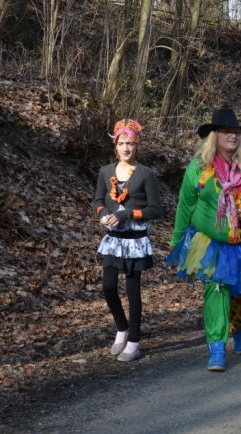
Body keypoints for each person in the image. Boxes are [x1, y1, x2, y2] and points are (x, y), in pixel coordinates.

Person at [167, 107, 241, 371]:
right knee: (216, 290)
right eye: (226, 131)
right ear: (214, 135)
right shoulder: (200, 167)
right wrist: (177, 241)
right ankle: (217, 348)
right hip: (211, 243)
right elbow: (185, 205)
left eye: (236, 132)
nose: (233, 136)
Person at [93, 119, 163, 362]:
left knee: (133, 290)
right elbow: (98, 201)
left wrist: (127, 214)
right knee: (108, 287)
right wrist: (103, 215)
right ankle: (121, 328)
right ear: (115, 145)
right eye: (121, 143)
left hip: (135, 240)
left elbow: (156, 209)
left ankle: (134, 339)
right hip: (113, 239)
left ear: (137, 145)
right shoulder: (105, 172)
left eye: (130, 144)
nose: (126, 148)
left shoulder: (146, 174)